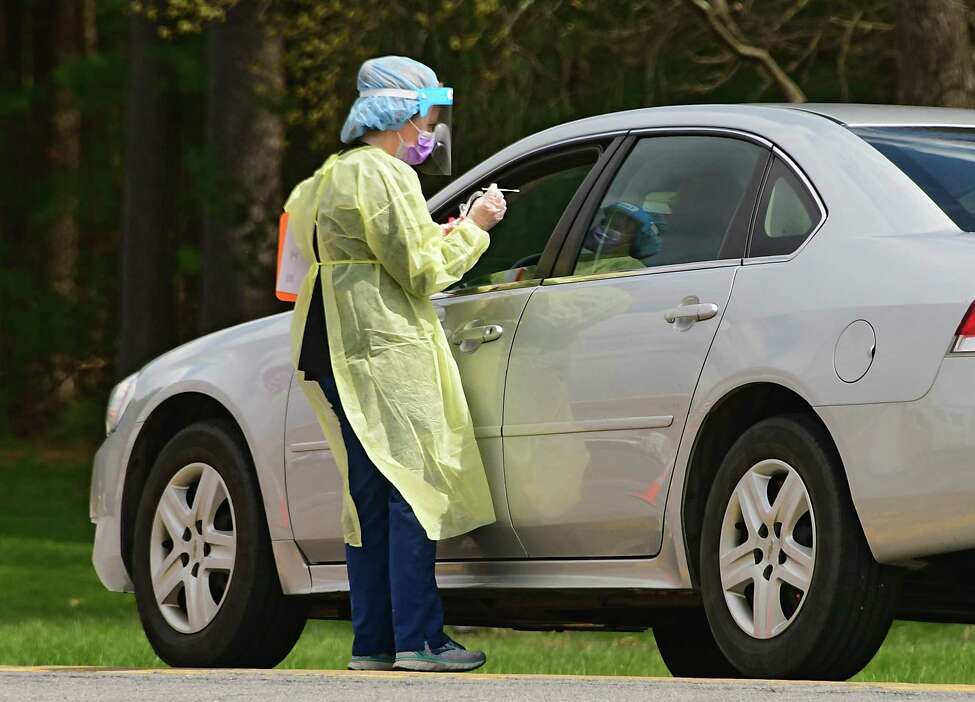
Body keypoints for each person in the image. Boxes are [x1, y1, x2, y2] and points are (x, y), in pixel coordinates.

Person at [283, 56, 507, 673]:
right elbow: (422, 273)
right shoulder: (386, 175)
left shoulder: (333, 173)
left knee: (370, 495)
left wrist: (434, 232)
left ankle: (373, 643)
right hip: (381, 348)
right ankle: (421, 641)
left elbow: (368, 252)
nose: (431, 128)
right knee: (413, 485)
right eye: (428, 113)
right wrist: (478, 229)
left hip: (335, 342)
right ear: (404, 113)